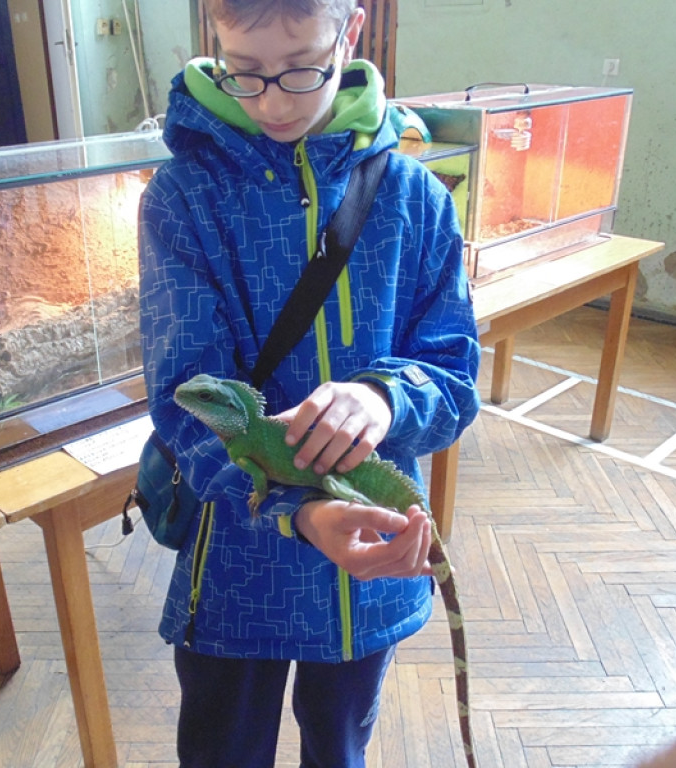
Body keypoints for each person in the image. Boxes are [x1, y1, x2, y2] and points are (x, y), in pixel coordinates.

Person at [137, 1, 480, 765]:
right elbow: (185, 399)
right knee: (224, 747)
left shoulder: (415, 196)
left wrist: (384, 395)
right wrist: (298, 513)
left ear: (348, 33)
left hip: (373, 571)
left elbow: (455, 378)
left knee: (341, 745)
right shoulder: (182, 198)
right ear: (214, 43)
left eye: (301, 67)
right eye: (245, 72)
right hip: (237, 567)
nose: (274, 101)